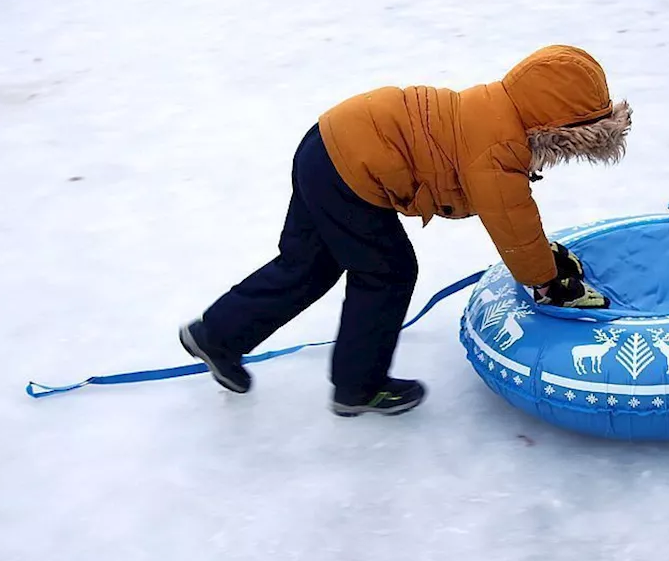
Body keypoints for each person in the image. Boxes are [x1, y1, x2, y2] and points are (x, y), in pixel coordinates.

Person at [179, 45, 632, 417]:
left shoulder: (493, 110)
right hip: (351, 171)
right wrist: (548, 279)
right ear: (554, 128)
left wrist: (544, 259)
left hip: (325, 144)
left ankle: (216, 335)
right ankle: (359, 386)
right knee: (388, 273)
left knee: (309, 264)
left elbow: (514, 216)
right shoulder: (498, 150)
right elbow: (512, 222)